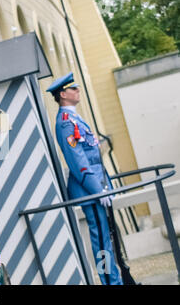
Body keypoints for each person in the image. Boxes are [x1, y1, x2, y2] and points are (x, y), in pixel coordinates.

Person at [46, 72, 123, 285]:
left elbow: (93, 157)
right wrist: (98, 190)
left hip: (97, 188)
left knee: (107, 241)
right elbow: (78, 162)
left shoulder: (74, 118)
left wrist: (105, 186)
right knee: (101, 244)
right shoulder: (65, 123)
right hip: (90, 192)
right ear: (63, 94)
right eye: (73, 88)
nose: (77, 91)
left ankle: (115, 279)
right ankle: (110, 282)